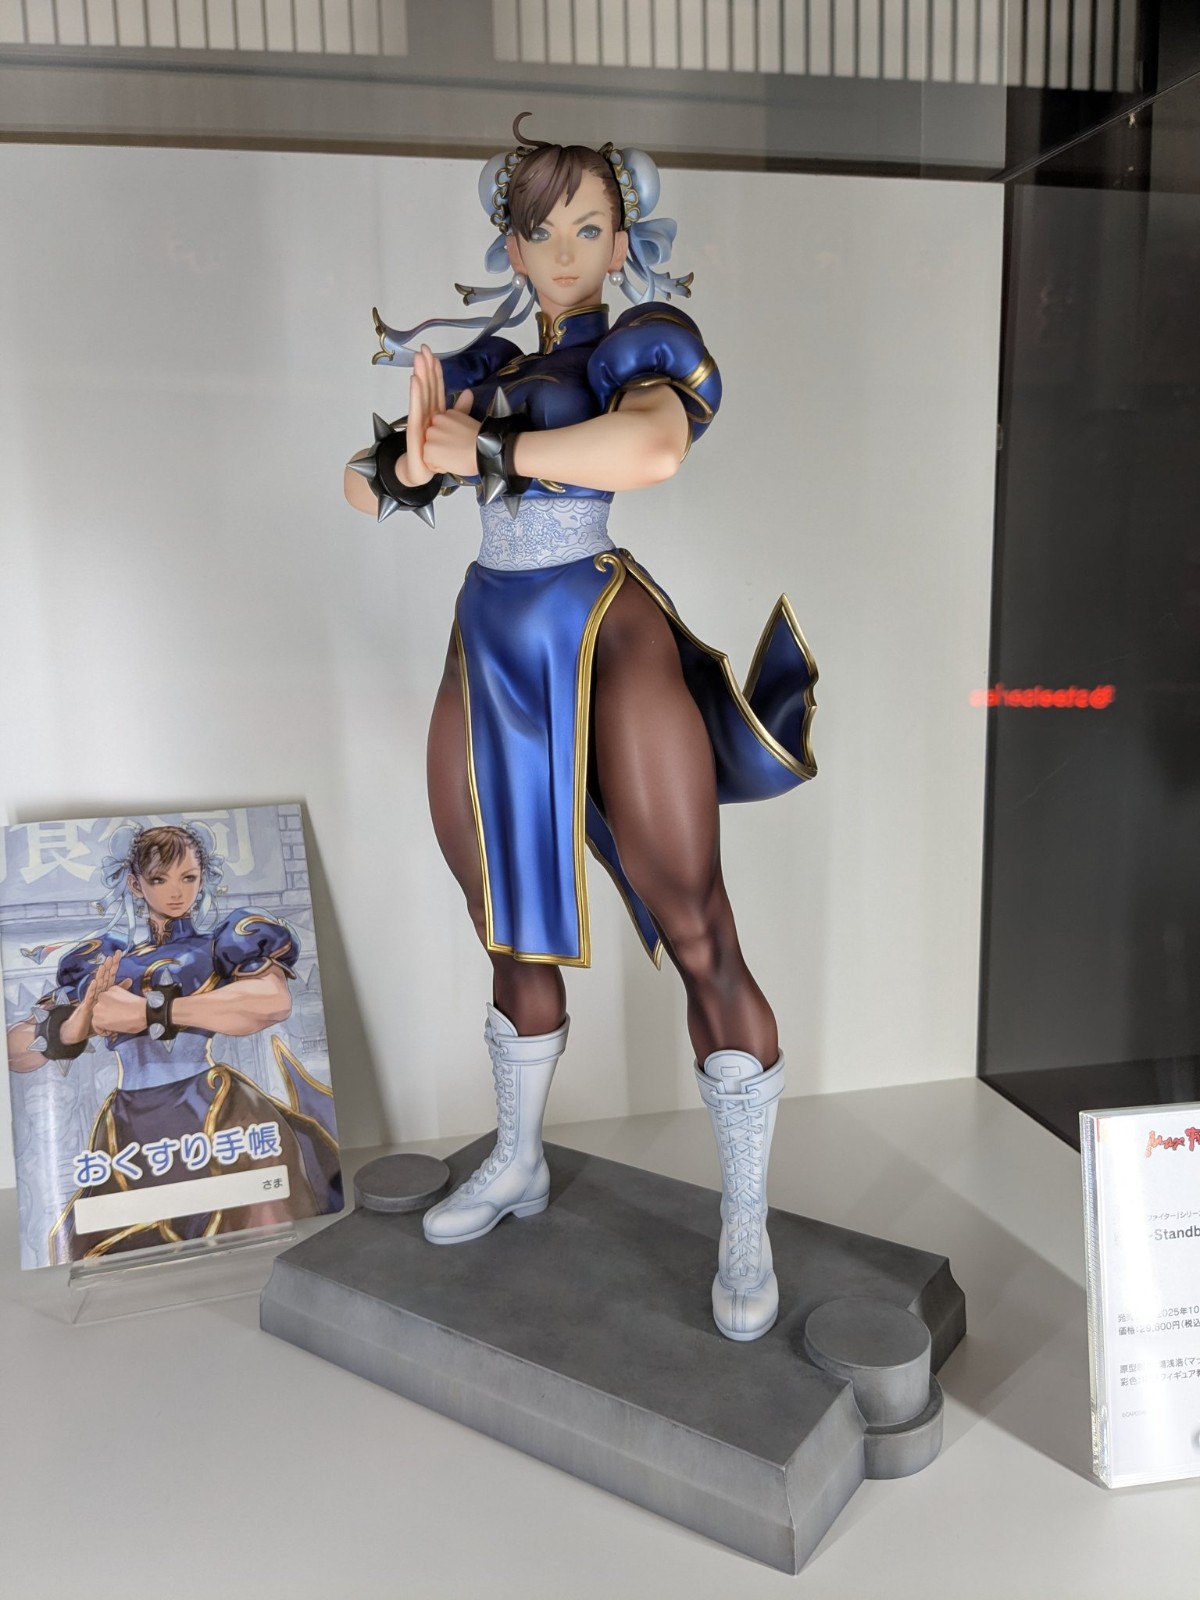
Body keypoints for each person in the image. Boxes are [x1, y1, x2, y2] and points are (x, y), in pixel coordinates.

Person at [344, 116, 817, 1341]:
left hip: (603, 629)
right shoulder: (492, 359)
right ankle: (519, 1159)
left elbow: (653, 448)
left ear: (622, 239)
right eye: (541, 229)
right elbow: (365, 479)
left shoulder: (637, 345)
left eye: (589, 227)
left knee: (697, 923)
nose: (565, 251)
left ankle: (747, 1218)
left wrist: (488, 447)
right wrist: (415, 460)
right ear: (510, 243)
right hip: (491, 636)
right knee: (501, 909)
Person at [8, 823, 341, 1262]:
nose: (176, 892)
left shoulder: (220, 945)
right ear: (136, 884)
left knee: (260, 1228)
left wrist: (148, 1013)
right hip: (128, 1125)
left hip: (215, 1108)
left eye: (188, 877)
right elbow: (16, 1050)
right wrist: (74, 1026)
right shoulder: (105, 960)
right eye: (159, 879)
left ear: (203, 877)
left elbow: (272, 1001)